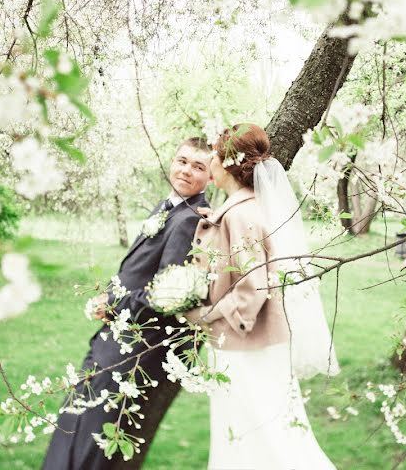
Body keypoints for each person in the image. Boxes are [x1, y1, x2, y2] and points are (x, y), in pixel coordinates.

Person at [42, 137, 212, 470]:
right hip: (112, 340)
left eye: (198, 166)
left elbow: (167, 294)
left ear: (209, 176)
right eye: (182, 160)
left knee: (94, 443)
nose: (186, 170)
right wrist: (108, 296)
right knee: (73, 428)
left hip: (133, 350)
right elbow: (138, 273)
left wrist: (115, 305)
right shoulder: (168, 208)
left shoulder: (189, 220)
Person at [185, 123, 339, 470]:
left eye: (212, 154)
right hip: (248, 346)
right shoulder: (240, 209)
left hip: (246, 347)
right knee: (257, 436)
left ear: (226, 162)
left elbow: (254, 283)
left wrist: (207, 315)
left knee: (264, 440)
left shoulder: (241, 213)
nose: (208, 162)